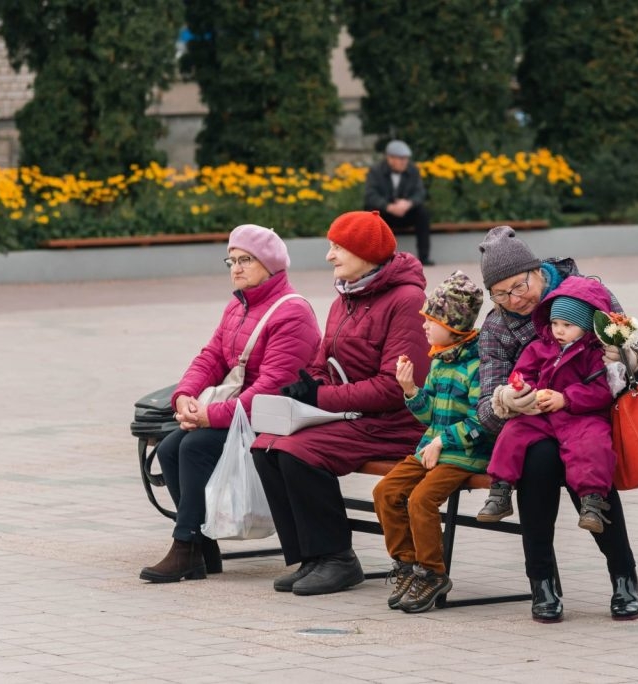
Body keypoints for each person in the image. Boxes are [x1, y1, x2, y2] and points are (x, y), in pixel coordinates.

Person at [474, 225, 638, 623]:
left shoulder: (585, 295)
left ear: (538, 271)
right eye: (500, 294)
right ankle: (542, 583)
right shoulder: (496, 327)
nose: (514, 299)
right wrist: (506, 401)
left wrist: (622, 356)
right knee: (537, 464)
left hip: (587, 413)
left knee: (587, 462)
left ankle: (623, 577)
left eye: (520, 286)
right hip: (534, 423)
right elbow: (485, 407)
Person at [251, 210, 431, 597]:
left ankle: (338, 559)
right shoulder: (346, 297)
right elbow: (321, 362)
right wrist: (308, 385)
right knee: (266, 444)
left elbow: (393, 388)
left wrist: (320, 398)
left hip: (396, 424)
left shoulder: (407, 300)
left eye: (338, 248)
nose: (330, 256)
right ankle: (311, 557)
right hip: (353, 416)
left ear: (366, 253)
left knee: (298, 451)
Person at [139, 224, 321, 583]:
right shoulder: (237, 306)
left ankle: (186, 545)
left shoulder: (292, 312)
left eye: (246, 260)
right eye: (232, 260)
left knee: (193, 446)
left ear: (270, 266)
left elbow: (272, 388)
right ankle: (202, 548)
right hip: (238, 411)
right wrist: (186, 397)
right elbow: (211, 358)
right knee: (171, 448)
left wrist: (209, 416)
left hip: (273, 415)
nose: (236, 268)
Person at [372, 270, 489, 613]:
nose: (423, 325)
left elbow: (483, 420)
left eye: (430, 319)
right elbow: (429, 417)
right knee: (386, 491)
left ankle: (433, 572)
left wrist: (443, 441)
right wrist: (410, 390)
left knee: (420, 500)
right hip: (433, 449)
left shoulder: (477, 366)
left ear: (451, 323)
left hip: (463, 455)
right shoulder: (439, 361)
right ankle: (407, 564)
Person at [477, 277, 618, 534]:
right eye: (554, 323)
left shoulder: (594, 354)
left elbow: (602, 392)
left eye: (567, 325)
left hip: (578, 415)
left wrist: (566, 398)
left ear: (586, 327)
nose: (559, 331)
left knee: (593, 443)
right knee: (513, 433)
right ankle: (500, 490)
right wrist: (522, 390)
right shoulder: (538, 348)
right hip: (540, 413)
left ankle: (593, 500)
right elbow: (522, 374)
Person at [364, 139, 434, 266]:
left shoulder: (413, 170)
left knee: (422, 212)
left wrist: (408, 203)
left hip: (405, 212)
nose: (404, 162)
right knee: (370, 213)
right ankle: (375, 258)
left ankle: (424, 257)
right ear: (390, 158)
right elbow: (370, 195)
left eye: (406, 159)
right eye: (401, 159)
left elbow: (420, 192)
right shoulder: (375, 171)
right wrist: (388, 206)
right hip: (385, 213)